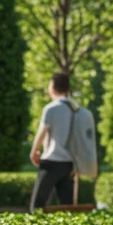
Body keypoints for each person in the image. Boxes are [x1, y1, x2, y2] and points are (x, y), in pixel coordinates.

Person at [29, 72, 76, 211]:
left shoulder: (51, 108)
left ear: (53, 86)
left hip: (51, 163)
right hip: (69, 163)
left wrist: (34, 152)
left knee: (37, 206)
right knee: (67, 208)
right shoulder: (76, 109)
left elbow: (41, 133)